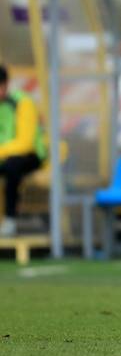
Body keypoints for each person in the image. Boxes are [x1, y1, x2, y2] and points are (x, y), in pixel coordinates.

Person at [0, 64, 46, 237]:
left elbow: (25, 143)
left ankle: (10, 220)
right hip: (4, 156)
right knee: (10, 164)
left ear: (6, 84)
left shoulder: (22, 102)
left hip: (32, 156)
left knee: (13, 167)